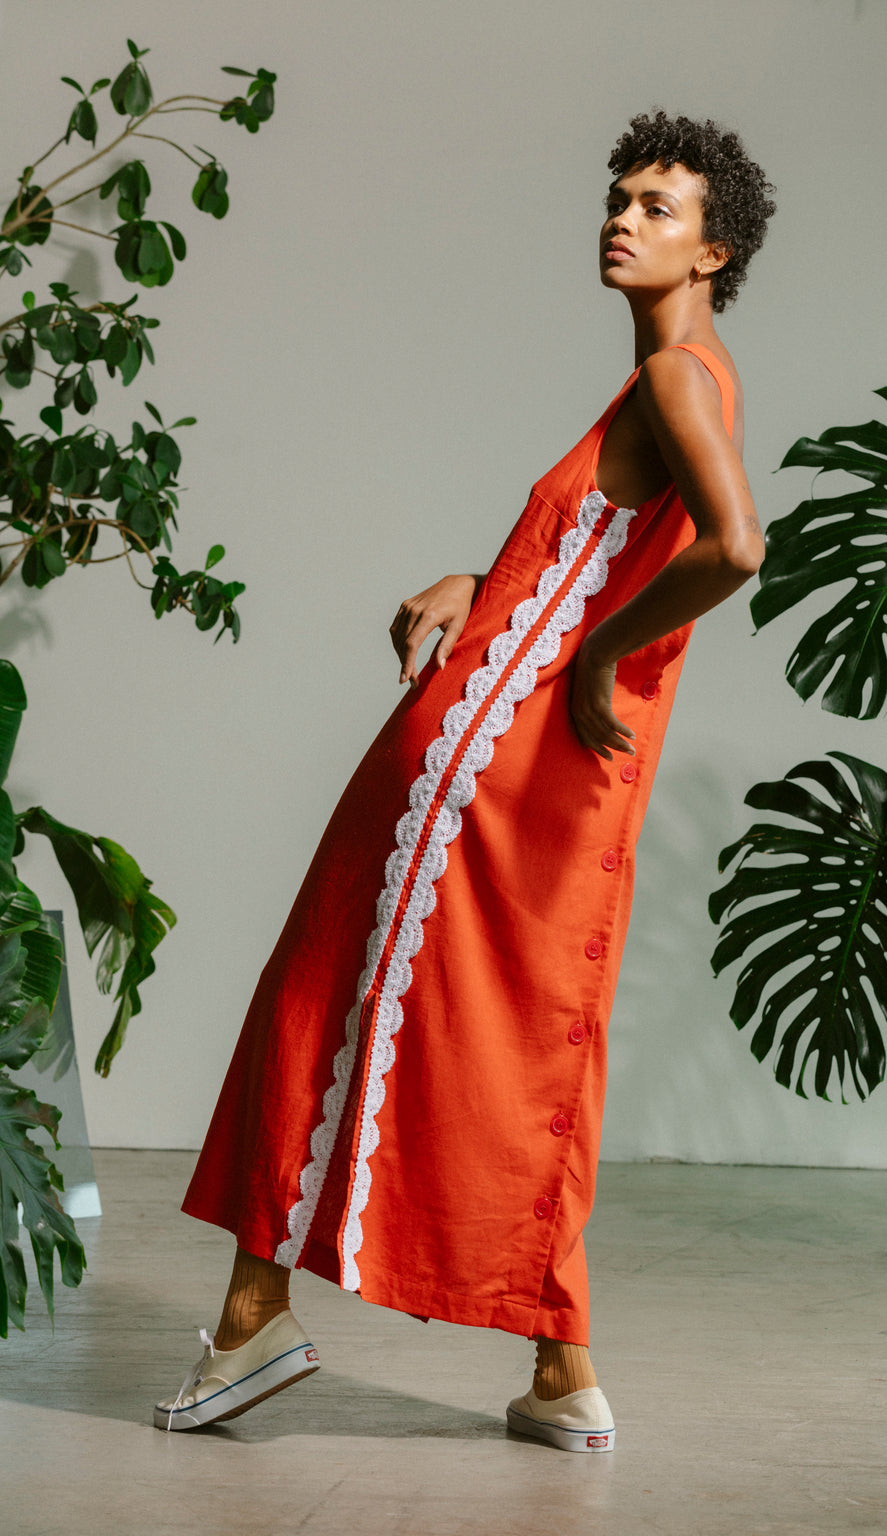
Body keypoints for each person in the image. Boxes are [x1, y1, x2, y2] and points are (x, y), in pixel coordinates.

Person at [155, 109, 776, 1452]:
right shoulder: (683, 375)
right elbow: (600, 554)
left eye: (659, 208)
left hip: (479, 758)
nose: (622, 219)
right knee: (518, 1041)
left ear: (714, 249)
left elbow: (735, 549)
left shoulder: (678, 374)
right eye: (617, 198)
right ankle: (562, 1371)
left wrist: (596, 659)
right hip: (521, 754)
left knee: (328, 993)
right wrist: (484, 583)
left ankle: (255, 1321)